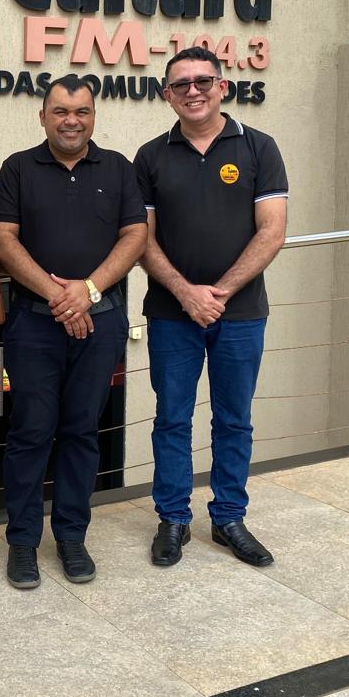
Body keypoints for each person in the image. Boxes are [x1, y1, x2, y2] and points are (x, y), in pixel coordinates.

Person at [0, 74, 147, 589]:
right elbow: (4, 238)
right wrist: (62, 297)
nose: (71, 121)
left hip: (101, 323)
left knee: (82, 431)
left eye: (81, 112)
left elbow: (135, 235)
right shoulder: (17, 168)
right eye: (60, 111)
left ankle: (72, 537)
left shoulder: (118, 168)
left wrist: (89, 291)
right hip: (34, 323)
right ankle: (22, 542)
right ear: (43, 116)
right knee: (31, 431)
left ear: (93, 117)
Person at [135, 47, 288, 568]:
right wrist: (186, 293)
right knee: (171, 419)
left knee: (234, 420)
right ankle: (173, 519)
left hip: (240, 315)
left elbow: (272, 231)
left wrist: (217, 292)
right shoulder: (150, 157)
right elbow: (142, 239)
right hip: (170, 313)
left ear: (223, 86)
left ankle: (228, 518)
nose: (193, 91)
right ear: (167, 95)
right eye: (181, 84)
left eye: (203, 81)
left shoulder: (259, 147)